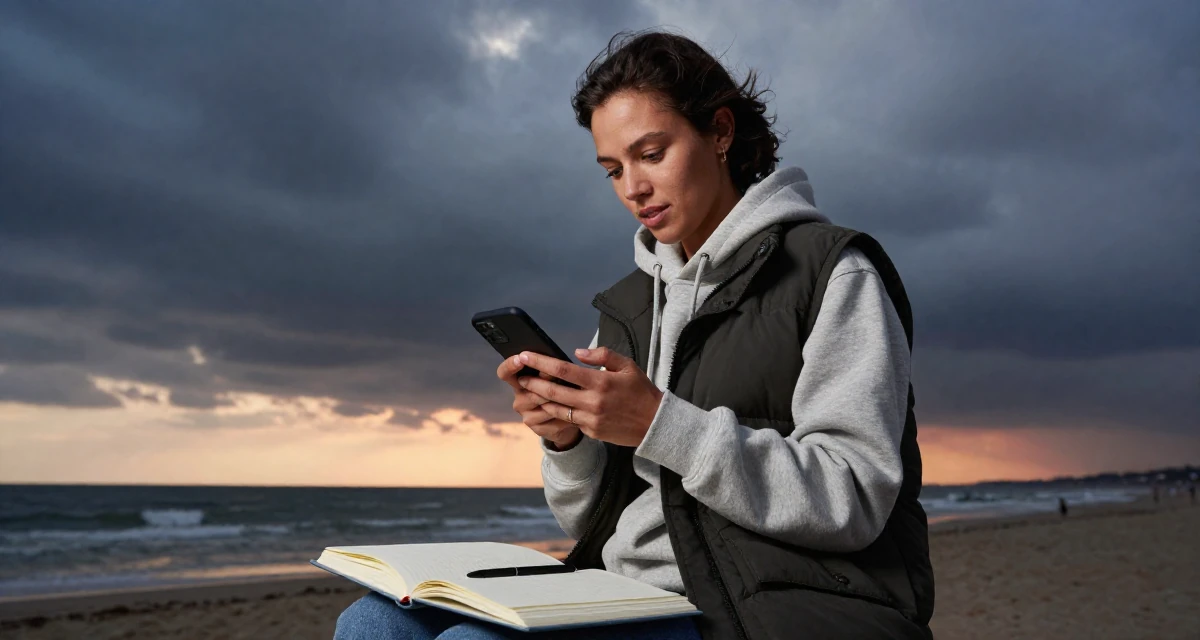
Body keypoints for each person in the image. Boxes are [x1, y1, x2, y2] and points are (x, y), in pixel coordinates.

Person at [335, 28, 933, 639]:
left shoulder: (830, 272)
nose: (632, 189)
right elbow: (589, 521)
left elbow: (854, 498)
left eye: (652, 154)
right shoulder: (631, 303)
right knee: (372, 622)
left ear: (721, 133)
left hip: (760, 607)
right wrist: (569, 442)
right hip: (622, 592)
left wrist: (659, 424)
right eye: (612, 170)